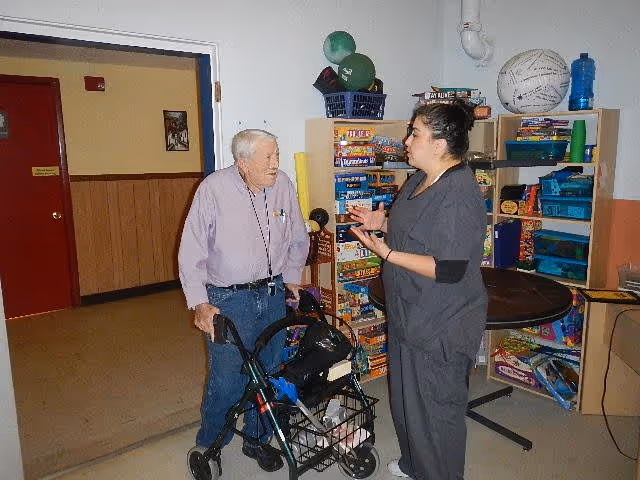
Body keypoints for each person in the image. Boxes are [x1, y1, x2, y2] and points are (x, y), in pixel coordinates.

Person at [348, 101, 487, 480]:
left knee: (436, 409)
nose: (406, 140)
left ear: (441, 144)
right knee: (408, 402)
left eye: (416, 133)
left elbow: (452, 268)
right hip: (409, 312)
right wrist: (382, 220)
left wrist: (387, 252)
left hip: (440, 322)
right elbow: (418, 224)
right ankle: (415, 464)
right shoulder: (420, 178)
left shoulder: (459, 193)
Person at [178, 129, 309, 472]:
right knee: (228, 377)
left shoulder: (282, 185)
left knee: (269, 370)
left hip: (273, 293)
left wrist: (292, 277)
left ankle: (256, 438)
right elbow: (191, 250)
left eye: (277, 155)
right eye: (268, 158)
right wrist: (199, 302)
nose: (276, 164)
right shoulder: (213, 190)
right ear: (243, 162)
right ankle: (210, 444)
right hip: (228, 299)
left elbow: (298, 236)